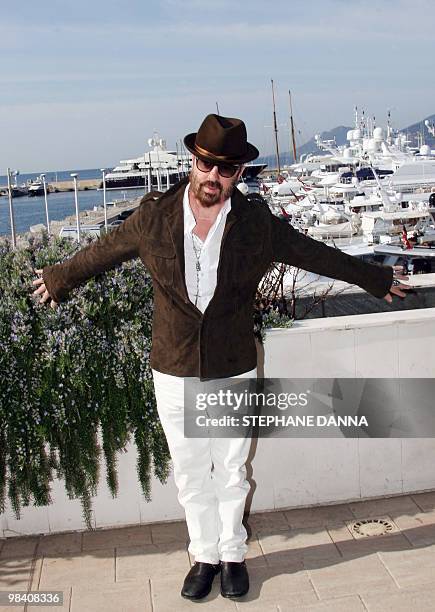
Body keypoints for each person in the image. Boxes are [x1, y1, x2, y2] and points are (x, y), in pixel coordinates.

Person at [32, 113, 410, 601]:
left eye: (227, 170)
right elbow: (103, 251)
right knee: (190, 469)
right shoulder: (154, 218)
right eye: (208, 165)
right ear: (194, 161)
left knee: (231, 469)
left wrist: (377, 280)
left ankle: (232, 554)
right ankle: (202, 555)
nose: (215, 177)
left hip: (233, 364)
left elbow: (316, 253)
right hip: (173, 365)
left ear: (239, 173)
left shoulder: (256, 225)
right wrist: (59, 277)